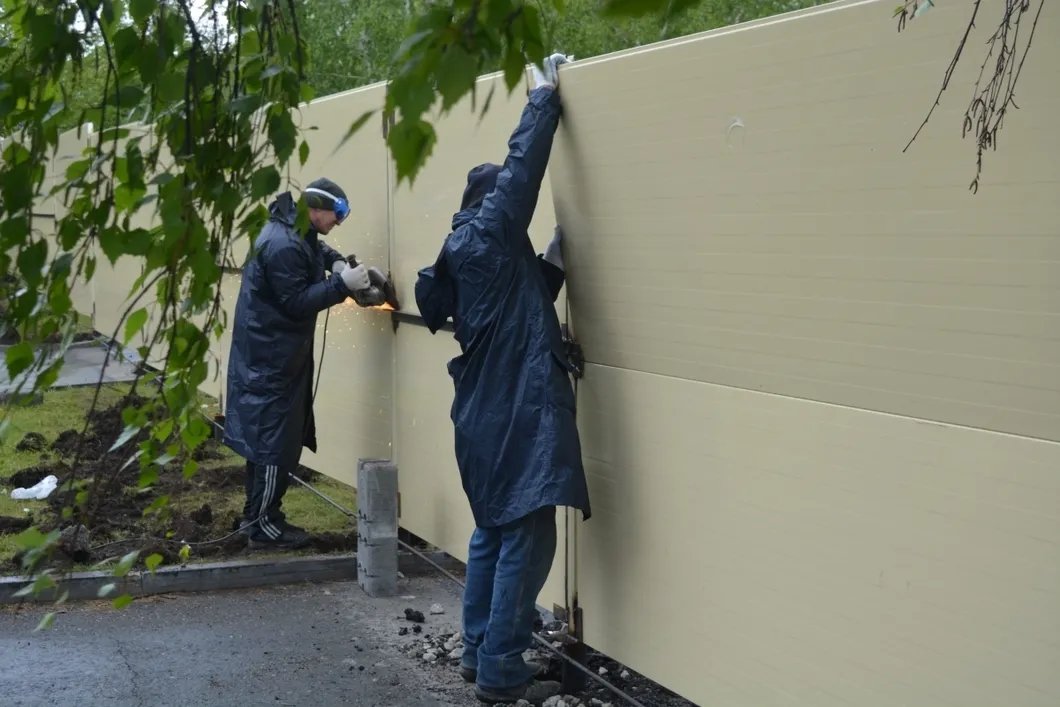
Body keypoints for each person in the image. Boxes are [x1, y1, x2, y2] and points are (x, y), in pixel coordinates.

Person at [414, 55, 591, 705]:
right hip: (517, 410)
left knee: (491, 528)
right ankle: (502, 668)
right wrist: (542, 99)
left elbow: (514, 304)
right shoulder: (489, 230)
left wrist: (552, 266)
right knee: (529, 530)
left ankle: (477, 649)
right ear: (491, 209)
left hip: (482, 416)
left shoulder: (468, 251)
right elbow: (522, 171)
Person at [223, 178, 373, 549]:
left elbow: (313, 250)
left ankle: (255, 516)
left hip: (270, 355)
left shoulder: (291, 229)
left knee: (266, 442)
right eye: (336, 214)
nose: (338, 222)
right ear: (315, 209)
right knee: (275, 444)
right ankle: (263, 525)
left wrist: (336, 262)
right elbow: (296, 302)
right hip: (272, 361)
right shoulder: (282, 244)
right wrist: (343, 286)